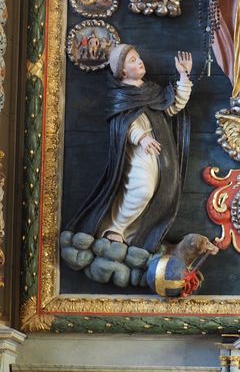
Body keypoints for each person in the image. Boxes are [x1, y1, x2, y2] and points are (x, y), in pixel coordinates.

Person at [66, 46, 192, 252]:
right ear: (123, 72)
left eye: (138, 57)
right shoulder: (121, 96)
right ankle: (114, 227)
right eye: (133, 60)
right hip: (137, 150)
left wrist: (183, 75)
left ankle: (133, 235)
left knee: (159, 193)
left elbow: (172, 106)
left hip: (158, 150)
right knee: (142, 190)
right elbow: (125, 124)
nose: (140, 61)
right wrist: (141, 138)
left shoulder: (151, 91)